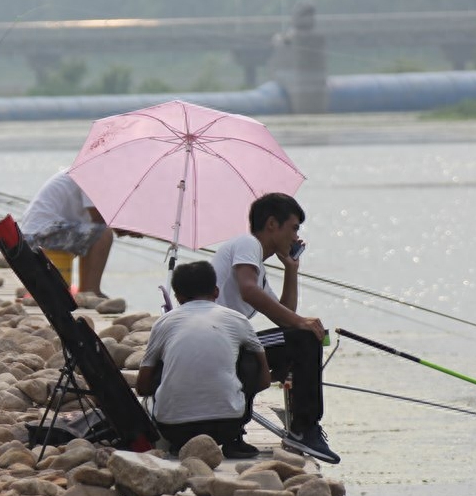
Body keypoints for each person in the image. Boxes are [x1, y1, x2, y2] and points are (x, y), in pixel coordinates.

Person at [211, 192, 340, 464]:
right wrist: (300, 323)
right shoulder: (248, 244)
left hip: (229, 345)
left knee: (302, 335)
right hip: (222, 345)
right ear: (272, 224)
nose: (295, 237)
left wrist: (291, 270)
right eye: (293, 228)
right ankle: (304, 428)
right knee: (305, 336)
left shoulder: (257, 263)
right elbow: (248, 291)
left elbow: (284, 316)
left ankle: (299, 424)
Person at [136, 261, 270, 459]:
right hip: (227, 426)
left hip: (175, 429)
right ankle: (236, 440)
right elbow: (264, 379)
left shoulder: (164, 322)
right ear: (216, 291)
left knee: (161, 362)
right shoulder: (237, 319)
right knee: (249, 356)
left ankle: (179, 443)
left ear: (178, 297)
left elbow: (142, 387)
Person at [20, 169, 117, 298]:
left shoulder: (86, 170)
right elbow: (98, 218)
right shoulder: (93, 173)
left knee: (94, 232)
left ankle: (86, 291)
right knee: (103, 233)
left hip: (34, 236)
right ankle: (90, 291)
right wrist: (124, 229)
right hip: (39, 237)